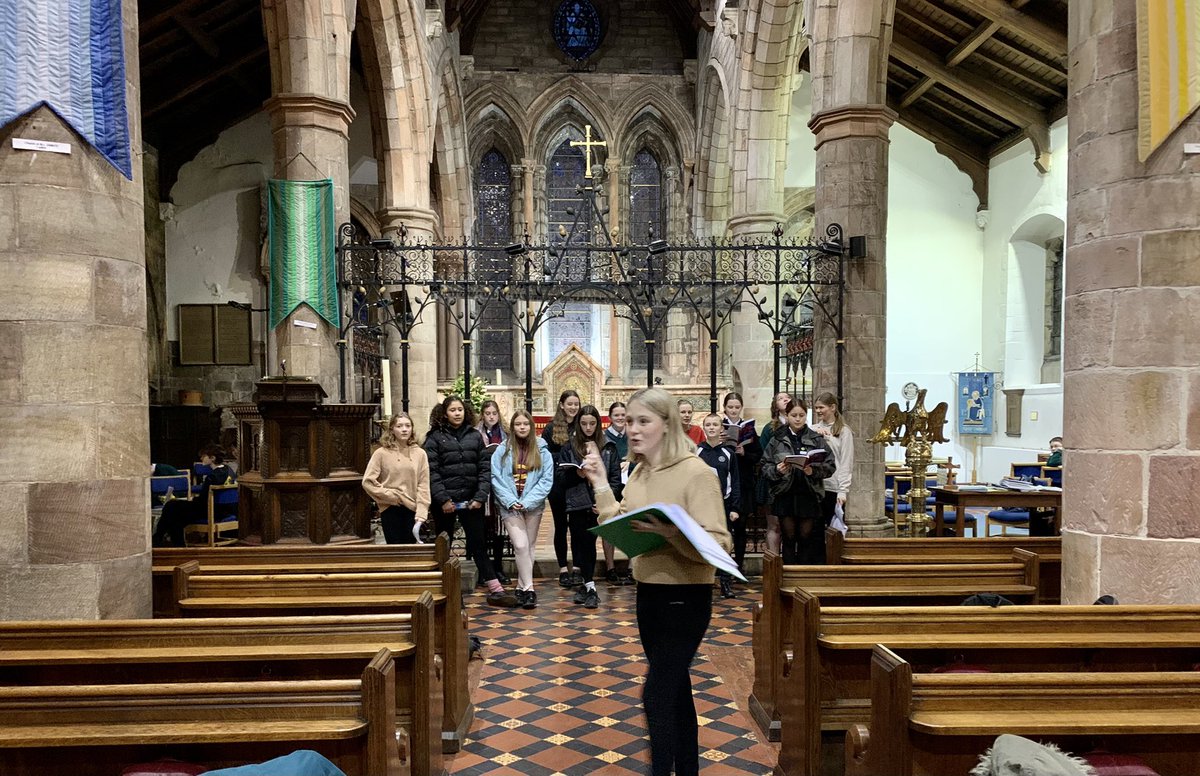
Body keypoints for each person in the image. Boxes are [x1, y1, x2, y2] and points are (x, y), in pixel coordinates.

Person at [581, 387, 731, 776]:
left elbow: (720, 543)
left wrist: (672, 535)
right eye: (629, 421)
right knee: (677, 693)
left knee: (656, 694)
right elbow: (619, 519)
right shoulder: (640, 472)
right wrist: (600, 481)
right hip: (648, 594)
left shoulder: (698, 473)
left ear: (667, 425)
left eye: (643, 421)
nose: (632, 429)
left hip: (687, 596)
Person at [425, 396, 519, 607]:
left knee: (478, 545)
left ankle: (496, 590)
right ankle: (441, 590)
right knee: (443, 546)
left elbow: (484, 469)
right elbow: (432, 472)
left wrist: (479, 497)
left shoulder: (475, 436)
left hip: (471, 501)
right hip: (445, 504)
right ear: (444, 413)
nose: (457, 413)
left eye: (460, 409)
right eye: (452, 410)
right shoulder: (434, 438)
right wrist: (443, 499)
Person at [557, 404, 622, 608]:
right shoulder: (570, 447)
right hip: (577, 502)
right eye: (584, 423)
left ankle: (591, 586)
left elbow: (614, 478)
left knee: (590, 543)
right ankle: (586, 585)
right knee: (579, 543)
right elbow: (559, 477)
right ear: (578, 424)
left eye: (592, 423)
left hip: (597, 503)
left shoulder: (608, 446)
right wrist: (576, 473)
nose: (588, 427)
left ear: (598, 423)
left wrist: (603, 501)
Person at [491, 409, 554, 609]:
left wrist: (527, 502)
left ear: (531, 426)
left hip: (532, 505)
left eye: (525, 424)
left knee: (529, 546)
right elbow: (496, 478)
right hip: (510, 505)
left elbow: (546, 480)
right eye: (518, 424)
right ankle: (529, 589)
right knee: (520, 545)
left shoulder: (542, 449)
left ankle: (521, 586)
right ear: (512, 427)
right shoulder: (503, 449)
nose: (522, 427)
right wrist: (510, 500)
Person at [761, 398, 836, 565]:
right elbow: (764, 466)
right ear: (787, 415)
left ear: (806, 416)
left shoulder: (816, 438)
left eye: (801, 415)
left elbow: (830, 465)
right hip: (785, 494)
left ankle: (802, 576)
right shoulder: (777, 439)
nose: (797, 419)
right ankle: (787, 576)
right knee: (788, 537)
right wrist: (777, 470)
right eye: (794, 415)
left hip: (808, 494)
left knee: (805, 538)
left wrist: (813, 470)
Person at [362, 413, 430, 545]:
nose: (404, 429)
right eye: (399, 426)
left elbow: (423, 484)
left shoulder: (420, 453)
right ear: (392, 429)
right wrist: (390, 496)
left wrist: (422, 512)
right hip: (390, 507)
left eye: (407, 426)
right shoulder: (381, 453)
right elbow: (368, 482)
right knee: (395, 548)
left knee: (410, 550)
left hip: (412, 508)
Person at [152, 444, 236, 547]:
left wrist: (191, 500)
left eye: (204, 456)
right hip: (225, 510)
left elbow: (203, 501)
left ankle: (161, 540)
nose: (201, 458)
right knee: (175, 515)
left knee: (171, 507)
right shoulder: (229, 470)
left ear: (212, 458)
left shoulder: (212, 477)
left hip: (211, 510)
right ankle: (166, 542)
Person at [696, 413, 740, 599]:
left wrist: (735, 508)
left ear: (722, 428)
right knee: (700, 544)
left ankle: (725, 582)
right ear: (704, 428)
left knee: (724, 545)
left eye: (715, 424)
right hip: (701, 506)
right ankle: (701, 582)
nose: (712, 428)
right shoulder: (697, 452)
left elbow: (735, 481)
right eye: (708, 425)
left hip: (723, 505)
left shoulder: (728, 453)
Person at [542, 389, 582, 587]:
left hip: (576, 482)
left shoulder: (582, 425)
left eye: (576, 404)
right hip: (558, 483)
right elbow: (545, 456)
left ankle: (577, 567)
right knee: (560, 526)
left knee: (577, 527)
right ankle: (562, 568)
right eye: (570, 404)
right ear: (561, 405)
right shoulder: (551, 428)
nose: (573, 407)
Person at [720, 392, 760, 574]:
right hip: (723, 484)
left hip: (743, 482)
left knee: (741, 527)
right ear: (725, 408)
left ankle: (739, 564)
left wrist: (744, 452)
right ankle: (723, 565)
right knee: (723, 527)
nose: (734, 410)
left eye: (737, 407)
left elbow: (758, 456)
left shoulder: (748, 429)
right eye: (730, 407)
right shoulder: (719, 427)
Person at [476, 399, 510, 584]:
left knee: (499, 530)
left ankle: (499, 568)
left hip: (500, 485)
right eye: (488, 413)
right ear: (482, 415)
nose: (491, 417)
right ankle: (485, 570)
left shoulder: (505, 433)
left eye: (494, 413)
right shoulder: (476, 433)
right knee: (483, 530)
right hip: (483, 485)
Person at [812, 392, 854, 529]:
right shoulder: (812, 429)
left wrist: (843, 490)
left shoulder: (843, 431)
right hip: (816, 485)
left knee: (833, 530)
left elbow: (846, 461)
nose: (818, 411)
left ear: (832, 407)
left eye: (821, 407)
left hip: (833, 486)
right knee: (814, 530)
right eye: (816, 408)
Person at [757, 391, 792, 555]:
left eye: (788, 397)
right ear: (775, 406)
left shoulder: (799, 426)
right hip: (773, 481)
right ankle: (773, 562)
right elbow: (763, 455)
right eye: (780, 398)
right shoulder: (770, 428)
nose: (785, 399)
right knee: (774, 525)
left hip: (792, 483)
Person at [602, 401, 632, 584]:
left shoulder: (632, 436)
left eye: (623, 415)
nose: (620, 418)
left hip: (631, 487)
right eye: (616, 415)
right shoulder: (604, 437)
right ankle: (610, 568)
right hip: (612, 487)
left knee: (631, 526)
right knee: (610, 527)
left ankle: (630, 567)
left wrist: (631, 463)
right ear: (610, 417)